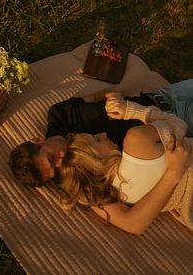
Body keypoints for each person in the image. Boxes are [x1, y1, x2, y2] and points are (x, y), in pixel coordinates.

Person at [9, 79, 193, 187]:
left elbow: (101, 95)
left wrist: (116, 97)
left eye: (51, 158)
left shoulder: (60, 115)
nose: (61, 160)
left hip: (162, 98)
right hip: (178, 131)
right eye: (55, 171)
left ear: (38, 140)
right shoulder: (79, 170)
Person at [59, 94, 192, 234]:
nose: (103, 134)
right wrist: (130, 110)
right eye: (97, 139)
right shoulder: (135, 140)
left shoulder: (111, 195)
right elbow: (179, 125)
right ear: (97, 161)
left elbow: (133, 225)